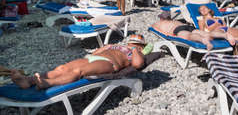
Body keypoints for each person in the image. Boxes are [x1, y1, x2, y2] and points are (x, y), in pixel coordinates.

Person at [10, 34, 147, 90]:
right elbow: (95, 53)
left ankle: (46, 83)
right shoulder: (116, 45)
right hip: (92, 58)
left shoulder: (135, 53)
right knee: (62, 68)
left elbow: (137, 65)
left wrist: (135, 49)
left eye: (136, 40)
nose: (132, 40)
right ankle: (29, 80)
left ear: (140, 46)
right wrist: (107, 47)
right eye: (132, 39)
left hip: (108, 63)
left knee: (78, 72)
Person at [152, 11, 235, 50]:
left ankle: (203, 40)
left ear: (161, 18)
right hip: (187, 26)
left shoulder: (159, 23)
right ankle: (224, 35)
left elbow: (156, 30)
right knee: (207, 33)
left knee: (189, 36)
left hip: (178, 30)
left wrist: (167, 35)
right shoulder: (175, 21)